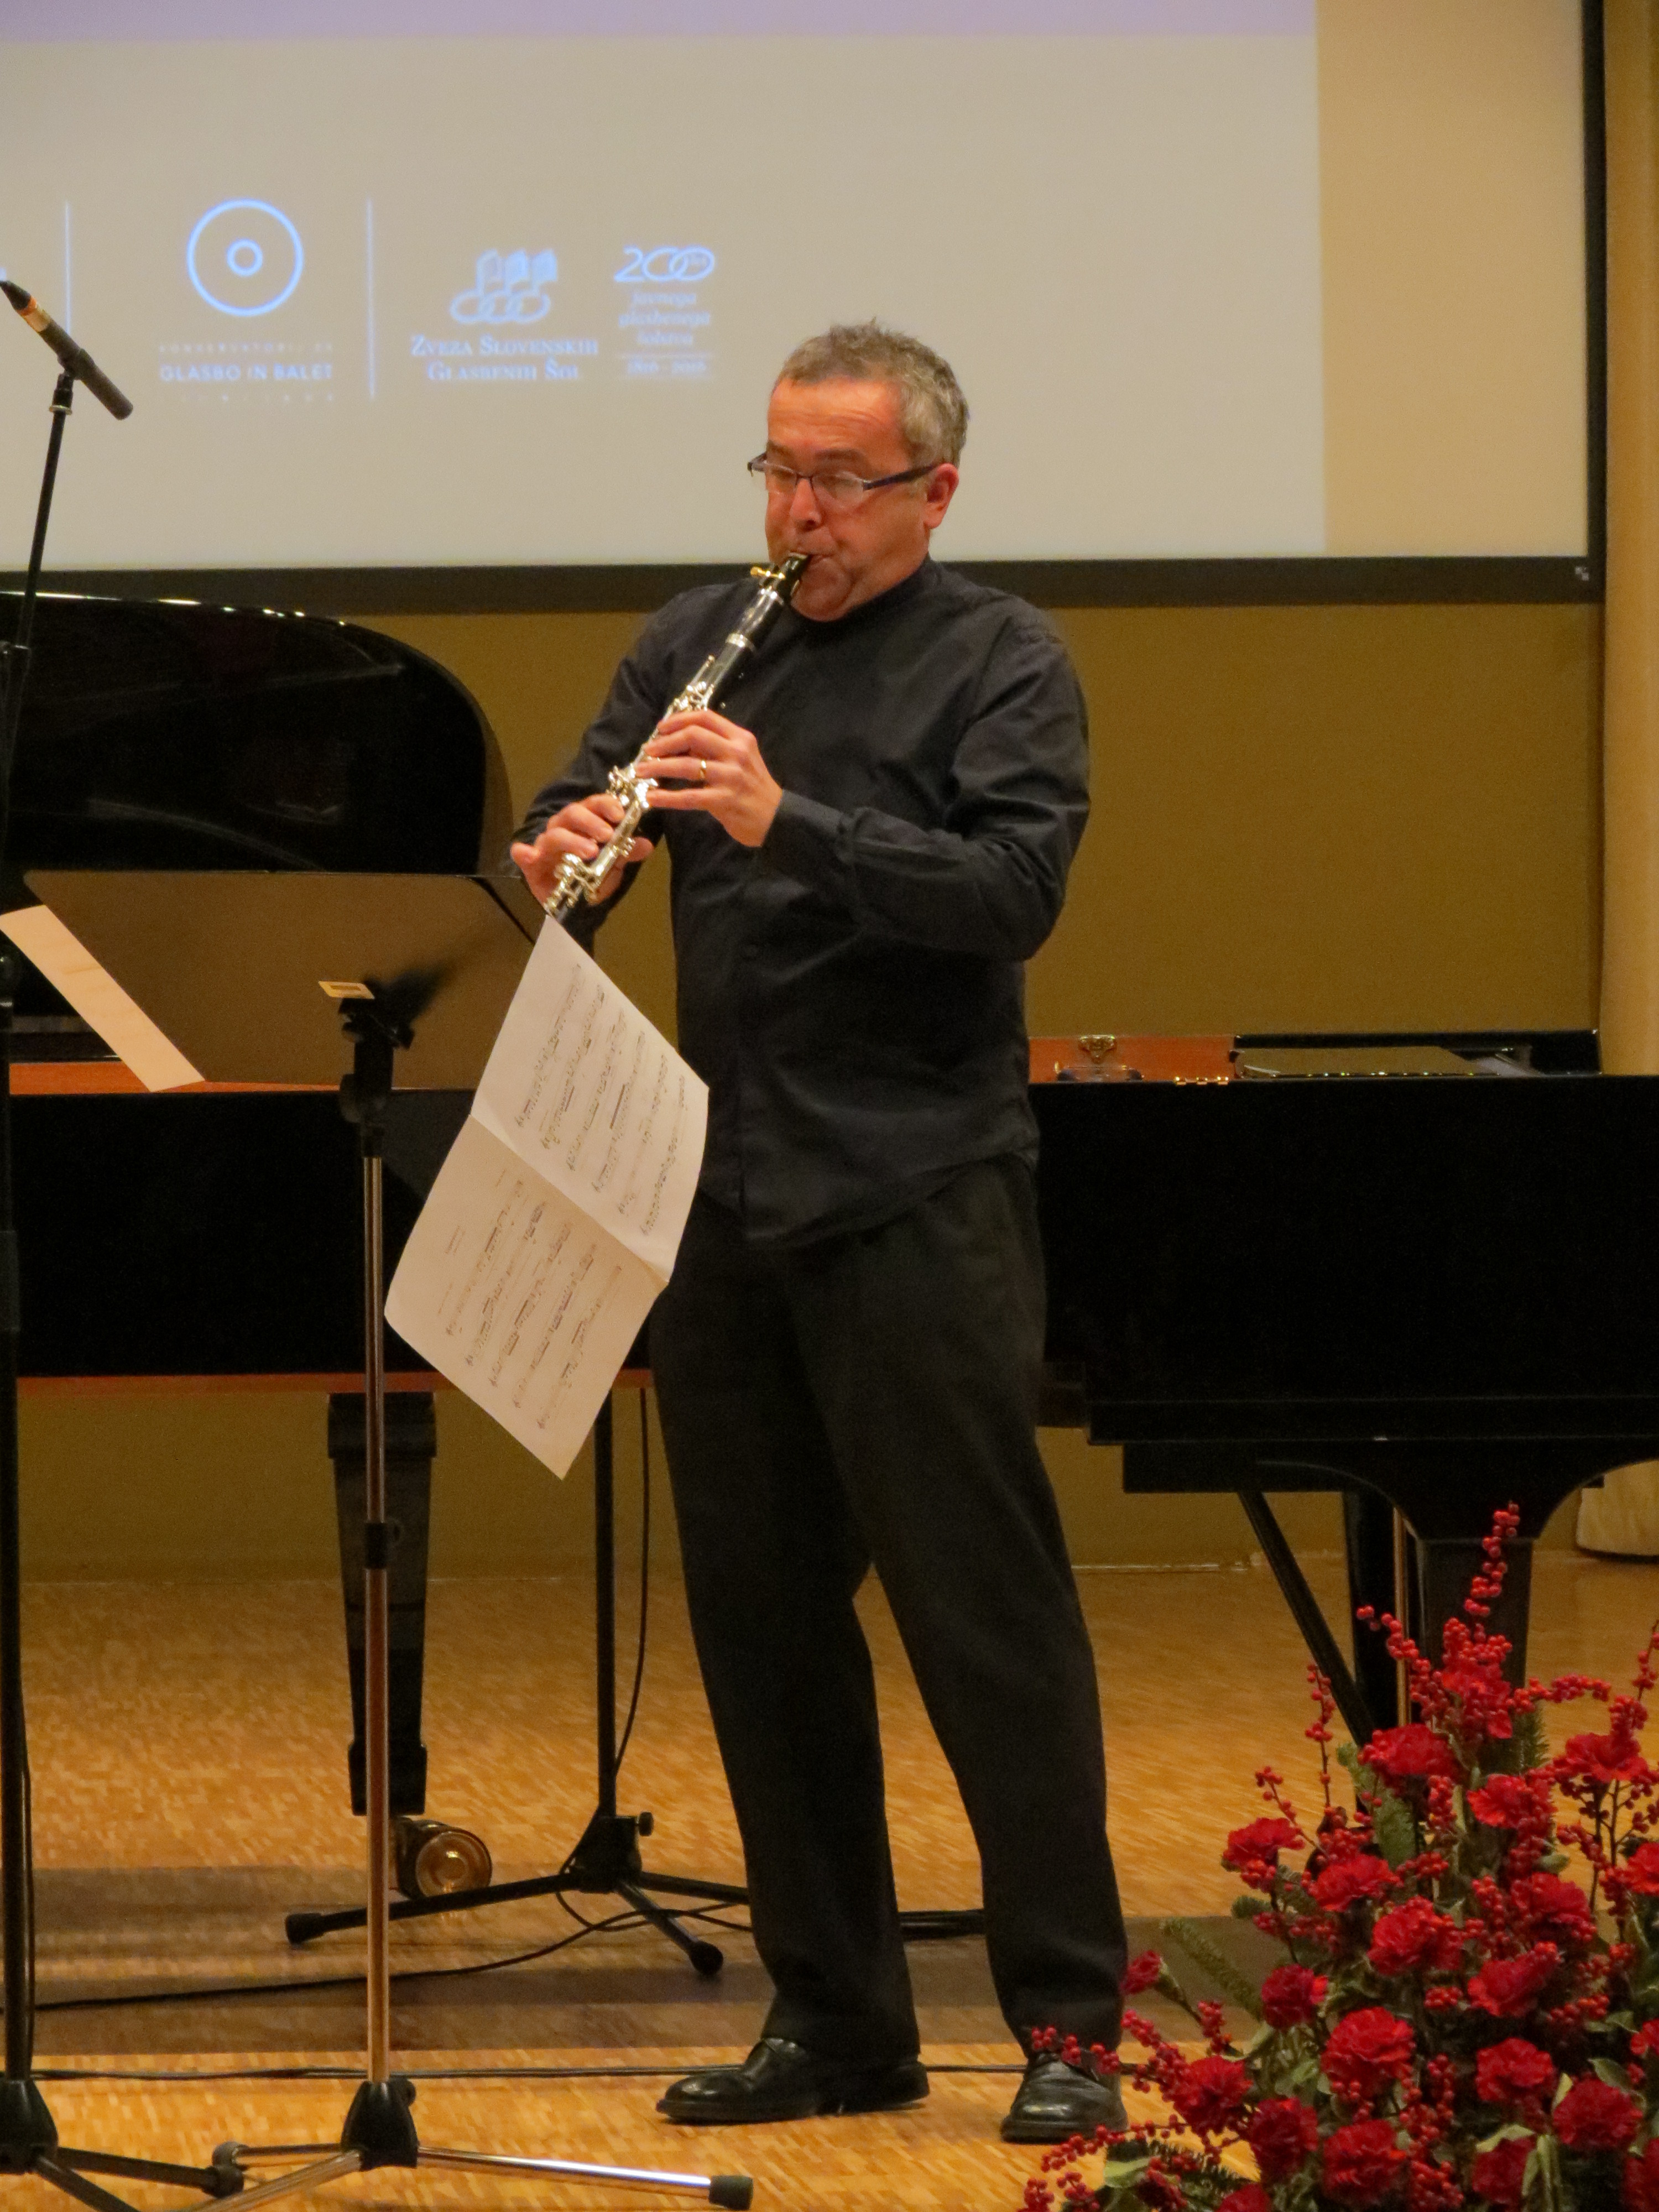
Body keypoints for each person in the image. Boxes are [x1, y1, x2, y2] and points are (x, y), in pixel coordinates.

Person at [511, 323, 1127, 2143]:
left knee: (985, 1625)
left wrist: (791, 820)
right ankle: (841, 2021)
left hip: (919, 1193)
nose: (801, 513)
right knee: (766, 1631)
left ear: (936, 491)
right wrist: (559, 864)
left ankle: (1072, 2023)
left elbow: (1012, 892)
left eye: (842, 482)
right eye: (781, 472)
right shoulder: (697, 640)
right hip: (724, 1196)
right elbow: (573, 828)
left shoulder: (1003, 660)